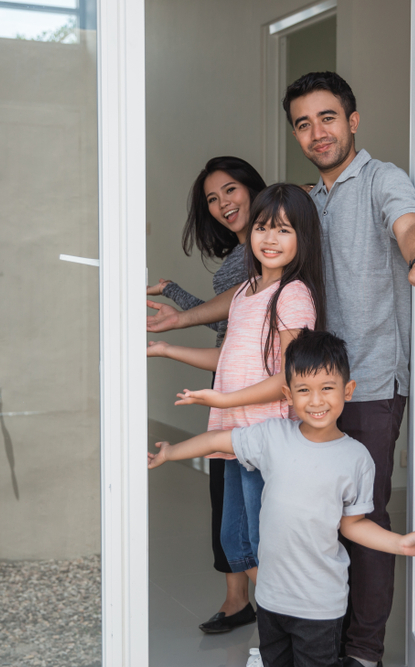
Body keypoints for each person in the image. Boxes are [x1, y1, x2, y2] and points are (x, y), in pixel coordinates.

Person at [147, 72, 415, 667]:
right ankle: (319, 645)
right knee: (308, 521)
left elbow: (407, 223)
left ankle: (360, 654)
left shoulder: (382, 180)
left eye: (328, 118)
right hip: (302, 390)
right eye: (304, 123)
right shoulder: (305, 203)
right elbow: (249, 293)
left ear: (352, 120)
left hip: (366, 382)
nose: (317, 132)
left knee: (360, 519)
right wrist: (175, 322)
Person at [147, 329, 415, 667]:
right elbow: (217, 441)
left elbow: (354, 525)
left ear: (348, 390)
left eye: (327, 388)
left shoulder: (356, 459)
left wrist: (400, 544)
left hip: (320, 606)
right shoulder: (272, 437)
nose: (316, 401)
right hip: (270, 599)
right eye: (304, 390)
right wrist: (171, 451)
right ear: (288, 395)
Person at [147, 182, 326, 611]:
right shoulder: (246, 292)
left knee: (263, 544)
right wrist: (169, 349)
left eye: (284, 230)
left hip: (265, 437)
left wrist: (225, 401)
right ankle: (277, 628)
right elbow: (226, 357)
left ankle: (285, 632)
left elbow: (290, 376)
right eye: (263, 227)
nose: (269, 238)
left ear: (303, 239)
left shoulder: (294, 295)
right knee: (236, 541)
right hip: (235, 436)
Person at [146, 156, 265, 633]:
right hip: (228, 380)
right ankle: (240, 599)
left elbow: (227, 318)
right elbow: (224, 318)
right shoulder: (241, 251)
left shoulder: (262, 249)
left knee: (243, 499)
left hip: (248, 386)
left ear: (253, 188)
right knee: (227, 497)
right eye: (213, 200)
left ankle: (270, 608)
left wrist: (174, 313)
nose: (222, 205)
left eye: (230, 191)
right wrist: (174, 294)